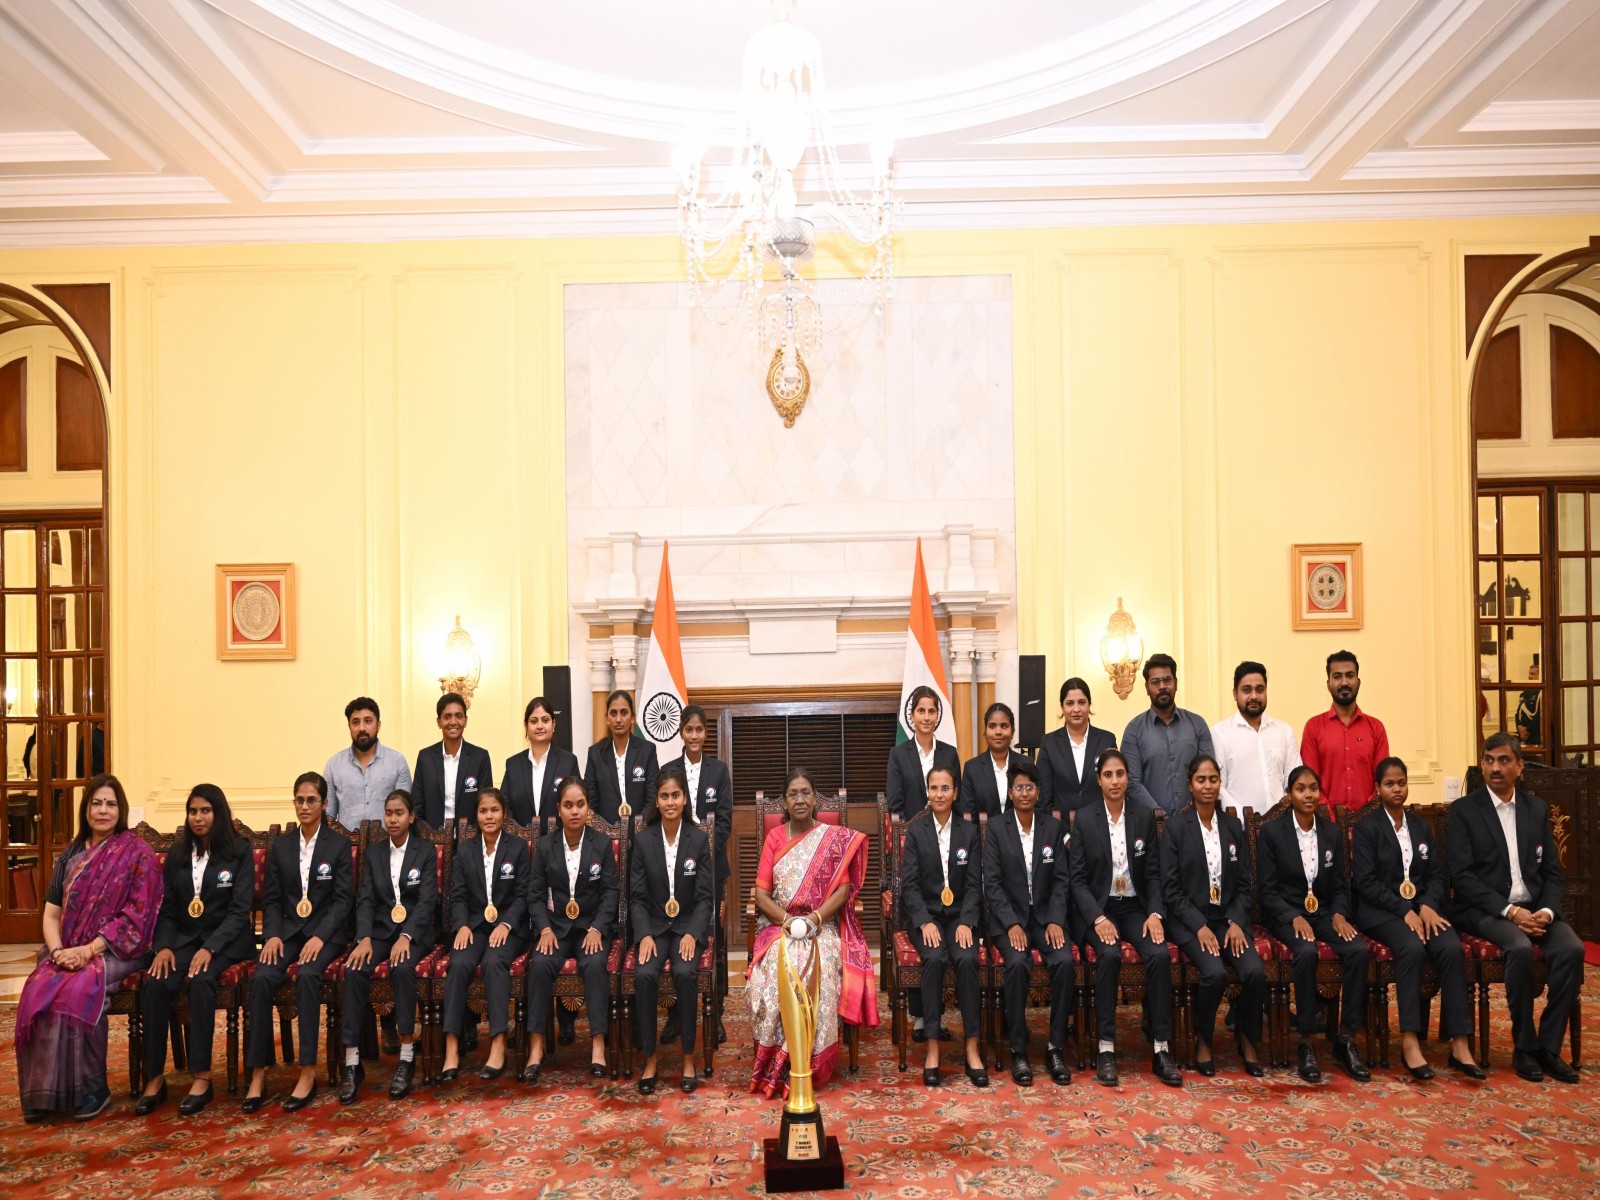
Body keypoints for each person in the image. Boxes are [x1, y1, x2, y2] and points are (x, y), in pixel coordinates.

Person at [17, 775, 162, 1122]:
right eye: (96, 803)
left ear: (120, 809)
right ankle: (47, 1093)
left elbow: (138, 917)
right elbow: (51, 915)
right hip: (67, 949)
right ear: (86, 808)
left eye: (111, 804)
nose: (103, 810)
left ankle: (93, 1090)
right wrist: (56, 953)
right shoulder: (70, 853)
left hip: (121, 949)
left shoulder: (136, 853)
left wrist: (89, 950)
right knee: (39, 988)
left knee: (82, 986)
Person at [1446, 733, 1583, 1084]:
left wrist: (1548, 913)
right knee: (1519, 948)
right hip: (1486, 910)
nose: (1495, 767)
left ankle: (1548, 1049)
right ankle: (1525, 1046)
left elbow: (1552, 873)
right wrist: (1510, 912)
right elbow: (1462, 878)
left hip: (1535, 909)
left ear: (1520, 767)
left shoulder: (1536, 809)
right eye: (1489, 760)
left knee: (1571, 948)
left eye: (1504, 760)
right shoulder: (1464, 811)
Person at [749, 766, 879, 1097]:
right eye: (793, 794)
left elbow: (843, 889)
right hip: (781, 924)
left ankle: (811, 1061)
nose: (800, 799)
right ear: (784, 801)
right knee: (779, 965)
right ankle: (780, 1059)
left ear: (814, 798)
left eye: (806, 792)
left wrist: (815, 920)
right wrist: (786, 921)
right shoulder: (774, 838)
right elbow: (761, 895)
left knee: (819, 965)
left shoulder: (831, 837)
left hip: (821, 924)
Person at [1353, 758, 1481, 1081]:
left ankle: (1460, 1043)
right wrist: (1404, 910)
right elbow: (1366, 882)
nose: (1397, 789)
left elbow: (1438, 874)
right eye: (1389, 784)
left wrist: (1425, 905)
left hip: (1422, 910)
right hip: (1383, 913)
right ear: (1377, 788)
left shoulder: (1421, 825)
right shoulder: (1368, 828)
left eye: (1402, 783)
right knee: (1411, 948)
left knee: (1451, 947)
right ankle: (1410, 1041)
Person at [136, 784, 254, 1116]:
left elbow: (238, 910)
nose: (198, 818)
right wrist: (163, 947)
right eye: (192, 811)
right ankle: (155, 1079)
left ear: (218, 813)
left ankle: (202, 1078)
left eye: (205, 811)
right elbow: (169, 911)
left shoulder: (240, 852)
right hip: (186, 940)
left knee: (201, 979)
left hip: (227, 943)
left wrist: (213, 948)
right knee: (156, 982)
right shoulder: (177, 856)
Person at [1068, 749, 1181, 1087]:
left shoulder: (1144, 816)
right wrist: (1097, 918)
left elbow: (1156, 874)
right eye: (1108, 775)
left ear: (1128, 777)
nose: (1115, 781)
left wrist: (1156, 913)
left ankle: (1161, 1048)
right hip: (1100, 910)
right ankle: (1106, 1048)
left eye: (1120, 774)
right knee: (1109, 954)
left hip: (1135, 907)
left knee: (1159, 954)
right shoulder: (1084, 819)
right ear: (1099, 779)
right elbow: (1077, 880)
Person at [243, 772, 354, 1112]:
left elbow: (342, 900)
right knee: (262, 978)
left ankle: (308, 1070)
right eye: (299, 800)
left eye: (311, 800)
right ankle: (258, 1073)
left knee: (308, 976)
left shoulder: (337, 845)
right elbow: (272, 899)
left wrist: (321, 936)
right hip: (287, 932)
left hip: (326, 935)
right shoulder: (283, 846)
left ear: (323, 804)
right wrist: (272, 934)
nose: (304, 806)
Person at [1257, 765, 1371, 1083]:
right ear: (1289, 794)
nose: (1308, 794)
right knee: (1305, 953)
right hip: (1287, 914)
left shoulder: (1331, 833)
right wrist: (1292, 916)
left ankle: (1345, 1040)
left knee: (1358, 950)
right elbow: (1266, 891)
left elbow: (1339, 886)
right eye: (1300, 788)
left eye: (1313, 788)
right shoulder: (1272, 833)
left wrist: (1338, 914)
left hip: (1323, 914)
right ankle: (1306, 1041)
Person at [1159, 755, 1265, 1077]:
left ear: (1220, 783)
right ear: (1190, 785)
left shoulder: (1233, 827)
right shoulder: (1176, 828)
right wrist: (1198, 926)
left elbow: (1246, 884)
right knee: (1215, 974)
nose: (1208, 786)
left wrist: (1235, 921)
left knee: (1255, 972)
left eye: (1213, 779)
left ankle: (1247, 1038)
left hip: (1228, 920)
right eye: (1201, 780)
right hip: (1191, 921)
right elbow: (1171, 889)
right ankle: (1203, 1038)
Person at [338, 788, 438, 1103]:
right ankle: (352, 1062)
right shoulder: (375, 853)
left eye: (399, 813)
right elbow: (365, 898)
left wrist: (407, 936)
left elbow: (426, 902)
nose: (393, 819)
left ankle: (407, 1056)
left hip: (414, 932)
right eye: (389, 813)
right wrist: (364, 937)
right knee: (354, 969)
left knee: (403, 966)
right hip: (379, 931)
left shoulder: (425, 851)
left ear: (411, 817)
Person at [983, 757, 1073, 1086]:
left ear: (1038, 792)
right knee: (1018, 963)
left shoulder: (1052, 827)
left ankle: (1055, 1047)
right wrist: (1011, 923)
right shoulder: (996, 828)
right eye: (1018, 787)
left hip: (1046, 918)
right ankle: (1019, 1050)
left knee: (1063, 961)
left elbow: (1062, 880)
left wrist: (1056, 921)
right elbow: (991, 883)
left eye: (1029, 787)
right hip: (1011, 921)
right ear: (1010, 792)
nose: (1024, 792)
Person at [522, 777, 617, 1082]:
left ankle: (598, 1045)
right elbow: (534, 895)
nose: (575, 811)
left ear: (588, 808)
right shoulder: (546, 845)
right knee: (540, 965)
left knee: (595, 964)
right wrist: (544, 930)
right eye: (568, 805)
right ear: (558, 810)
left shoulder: (601, 844)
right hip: (557, 928)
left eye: (580, 804)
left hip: (591, 927)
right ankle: (536, 1048)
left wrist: (599, 929)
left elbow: (611, 893)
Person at [629, 767, 712, 1093]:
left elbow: (706, 898)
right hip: (653, 927)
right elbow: (635, 897)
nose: (670, 801)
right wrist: (644, 934)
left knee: (685, 972)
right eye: (664, 796)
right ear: (657, 801)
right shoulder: (643, 839)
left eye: (675, 795)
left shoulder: (699, 838)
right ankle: (650, 1059)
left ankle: (688, 1056)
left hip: (686, 927)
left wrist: (692, 933)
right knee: (645, 973)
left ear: (685, 798)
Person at [903, 765, 987, 1087]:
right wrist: (923, 920)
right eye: (934, 788)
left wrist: (968, 921)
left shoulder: (968, 832)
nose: (939, 794)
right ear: (928, 792)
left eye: (945, 788)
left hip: (959, 918)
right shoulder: (916, 831)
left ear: (954, 792)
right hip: (928, 917)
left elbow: (975, 885)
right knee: (935, 958)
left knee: (966, 959)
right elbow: (909, 885)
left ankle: (972, 1048)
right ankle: (933, 1048)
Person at [439, 788, 529, 1083]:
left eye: (494, 810)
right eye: (483, 811)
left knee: (494, 963)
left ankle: (498, 1042)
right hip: (475, 926)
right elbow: (458, 895)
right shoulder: (465, 850)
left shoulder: (518, 848)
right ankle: (451, 1046)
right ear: (475, 817)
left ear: (504, 814)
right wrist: (462, 924)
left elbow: (523, 896)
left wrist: (506, 925)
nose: (489, 816)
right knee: (459, 963)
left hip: (509, 929)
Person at [660, 704, 732, 1044]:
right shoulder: (668, 770)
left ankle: (714, 1014)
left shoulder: (718, 771)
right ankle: (675, 1014)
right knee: (676, 939)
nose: (694, 736)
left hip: (709, 871)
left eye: (699, 730)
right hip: (672, 874)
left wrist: (699, 850)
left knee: (711, 942)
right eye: (688, 730)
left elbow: (725, 821)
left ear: (706, 733)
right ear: (680, 733)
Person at [1121, 654, 1214, 816]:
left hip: (1195, 821)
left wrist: (1189, 813)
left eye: (1167, 680)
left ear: (1176, 684)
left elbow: (1209, 775)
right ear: (1147, 687)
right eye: (1155, 682)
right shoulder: (1134, 730)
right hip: (1151, 825)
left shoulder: (1197, 724)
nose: (1162, 686)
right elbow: (1131, 783)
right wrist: (1160, 816)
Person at [1299, 651, 1389, 815]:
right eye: (1337, 676)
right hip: (1327, 824)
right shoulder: (1313, 727)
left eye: (1350, 675)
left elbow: (1383, 780)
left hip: (1369, 824)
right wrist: (1330, 816)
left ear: (1358, 682)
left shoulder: (1376, 728)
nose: (1344, 682)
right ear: (1328, 684)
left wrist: (1367, 816)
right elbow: (1310, 780)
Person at [1210, 661, 1301, 815]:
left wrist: (1282, 816)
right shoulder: (1220, 733)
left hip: (1282, 828)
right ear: (1235, 693)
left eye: (1259, 690)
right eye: (1247, 690)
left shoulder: (1284, 731)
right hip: (1239, 828)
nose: (1254, 696)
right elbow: (1219, 787)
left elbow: (1295, 781)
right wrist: (1246, 818)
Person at [411, 692, 492, 832]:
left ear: (465, 720)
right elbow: (417, 807)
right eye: (447, 717)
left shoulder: (480, 757)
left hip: (471, 843)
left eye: (459, 716)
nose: (453, 722)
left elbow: (486, 805)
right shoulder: (425, 758)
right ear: (439, 722)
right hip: (432, 842)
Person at [324, 697, 412, 826]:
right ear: (349, 726)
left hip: (388, 844)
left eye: (368, 721)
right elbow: (328, 815)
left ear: (378, 725)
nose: (362, 728)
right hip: (346, 845)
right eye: (355, 722)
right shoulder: (334, 765)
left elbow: (404, 812)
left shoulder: (397, 762)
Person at [1037, 678, 1117, 817]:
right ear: (1062, 706)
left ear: (1089, 704)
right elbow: (1044, 799)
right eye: (1069, 703)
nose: (1076, 709)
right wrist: (1061, 835)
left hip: (1100, 826)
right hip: (1062, 830)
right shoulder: (1048, 743)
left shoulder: (1106, 740)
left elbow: (1115, 789)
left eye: (1081, 702)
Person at [503, 696, 581, 833]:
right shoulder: (513, 765)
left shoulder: (568, 762)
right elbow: (505, 807)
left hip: (559, 845)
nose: (540, 726)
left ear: (554, 725)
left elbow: (576, 804)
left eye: (545, 720)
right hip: (520, 846)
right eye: (534, 721)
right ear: (526, 726)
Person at [886, 685, 961, 819]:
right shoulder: (898, 755)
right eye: (921, 711)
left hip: (945, 831)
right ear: (912, 716)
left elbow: (957, 801)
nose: (926, 717)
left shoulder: (950, 753)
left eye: (931, 711)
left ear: (937, 716)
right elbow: (895, 805)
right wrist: (908, 833)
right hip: (910, 832)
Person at [584, 689, 658, 825]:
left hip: (642, 834)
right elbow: (591, 801)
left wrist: (637, 829)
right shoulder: (595, 753)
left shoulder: (647, 750)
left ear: (633, 717)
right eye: (613, 713)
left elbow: (653, 798)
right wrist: (604, 831)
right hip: (605, 836)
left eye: (624, 713)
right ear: (607, 718)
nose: (618, 719)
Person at [959, 702, 1028, 820]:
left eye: (1004, 726)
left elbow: (1034, 809)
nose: (998, 731)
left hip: (1020, 836)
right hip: (984, 836)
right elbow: (968, 816)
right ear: (985, 732)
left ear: (1012, 732)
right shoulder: (972, 768)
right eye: (992, 726)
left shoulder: (1027, 764)